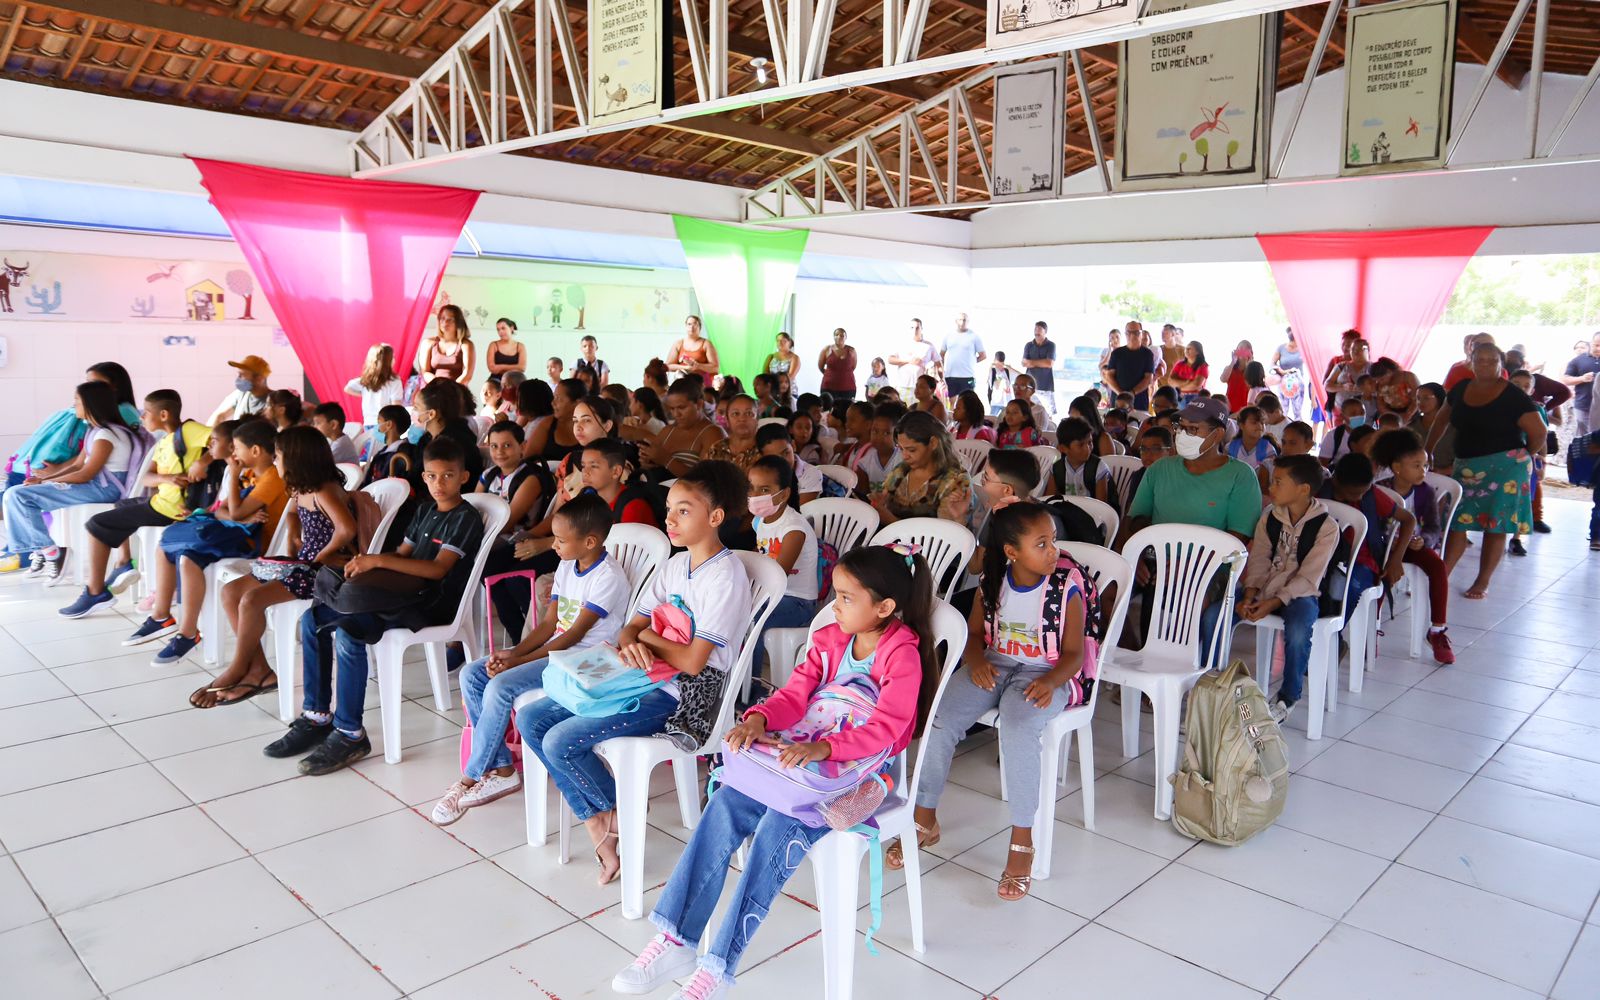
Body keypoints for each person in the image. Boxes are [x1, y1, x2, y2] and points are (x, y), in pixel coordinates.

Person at [613, 545, 932, 998]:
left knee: (778, 830)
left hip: (851, 772)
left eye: (845, 598)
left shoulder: (902, 656)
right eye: (834, 595)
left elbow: (887, 729)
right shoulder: (830, 639)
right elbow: (796, 694)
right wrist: (760, 718)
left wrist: (825, 747)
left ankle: (719, 968)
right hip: (803, 761)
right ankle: (676, 938)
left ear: (883, 607)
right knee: (725, 803)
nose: (832, 606)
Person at [522, 461, 752, 884]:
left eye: (684, 510)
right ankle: (606, 813)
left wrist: (648, 640)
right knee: (530, 718)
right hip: (647, 676)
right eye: (669, 508)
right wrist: (636, 638)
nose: (670, 518)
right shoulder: (673, 566)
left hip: (688, 695)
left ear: (715, 517)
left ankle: (604, 823)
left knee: (560, 740)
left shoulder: (726, 575)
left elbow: (694, 661)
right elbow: (632, 625)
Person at [894, 501, 1093, 901]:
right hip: (997, 663)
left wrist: (1051, 682)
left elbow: (1074, 654)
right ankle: (925, 817)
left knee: (1020, 728)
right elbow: (972, 634)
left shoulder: (1066, 586)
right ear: (1011, 552)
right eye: (1042, 543)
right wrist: (977, 661)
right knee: (940, 718)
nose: (1053, 550)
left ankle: (1022, 841)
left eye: (1053, 540)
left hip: (1047, 672)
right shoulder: (992, 581)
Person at [264, 436, 484, 774]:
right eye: (431, 476)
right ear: (423, 476)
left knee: (352, 634)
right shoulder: (425, 510)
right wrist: (366, 563)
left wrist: (377, 563)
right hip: (398, 594)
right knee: (313, 620)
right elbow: (402, 556)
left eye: (448, 476)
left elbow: (437, 569)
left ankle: (351, 733)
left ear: (464, 477)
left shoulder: (465, 518)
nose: (439, 484)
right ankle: (317, 715)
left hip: (428, 603)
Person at [430, 492, 629, 825]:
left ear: (590, 541)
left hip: (584, 661)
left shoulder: (608, 577)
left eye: (562, 540)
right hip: (558, 650)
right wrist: (513, 652)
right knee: (473, 675)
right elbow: (550, 624)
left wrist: (517, 663)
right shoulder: (568, 564)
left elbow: (573, 636)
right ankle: (502, 768)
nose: (554, 545)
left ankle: (471, 776)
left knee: (501, 685)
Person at [188, 425, 357, 708]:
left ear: (297, 458)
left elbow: (347, 529)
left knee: (252, 600)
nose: (276, 462)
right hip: (303, 565)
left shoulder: (324, 490)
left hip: (321, 572)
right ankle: (260, 671)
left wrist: (324, 555)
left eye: (278, 456)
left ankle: (238, 668)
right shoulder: (301, 489)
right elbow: (293, 515)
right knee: (231, 593)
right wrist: (293, 534)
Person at [129, 418, 288, 665]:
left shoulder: (271, 478)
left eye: (237, 448)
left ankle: (185, 630)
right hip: (238, 535)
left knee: (184, 551)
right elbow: (223, 511)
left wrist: (235, 489)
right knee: (179, 553)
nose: (233, 453)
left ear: (255, 451)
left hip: (256, 545)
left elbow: (232, 512)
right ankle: (182, 629)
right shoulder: (250, 474)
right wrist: (240, 516)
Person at [1219, 455, 1340, 722]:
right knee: (1218, 614)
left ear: (1303, 489)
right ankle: (1210, 685)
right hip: (1264, 588)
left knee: (1298, 631)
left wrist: (1272, 603)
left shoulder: (1326, 527)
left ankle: (1288, 697)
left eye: (1277, 482)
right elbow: (1259, 559)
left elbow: (1309, 577)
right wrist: (1250, 595)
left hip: (1301, 594)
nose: (1270, 488)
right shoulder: (1270, 518)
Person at [1427, 342, 1545, 599]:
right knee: (1457, 521)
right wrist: (1428, 449)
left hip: (1506, 467)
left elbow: (1539, 432)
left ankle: (1482, 581)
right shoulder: (1460, 389)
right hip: (1467, 465)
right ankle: (1442, 573)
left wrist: (1524, 455)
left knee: (1496, 524)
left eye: (1492, 360)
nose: (1485, 364)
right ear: (1471, 361)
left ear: (1501, 364)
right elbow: (1441, 420)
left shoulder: (1513, 395)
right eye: (1480, 359)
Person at [0, 381, 142, 578]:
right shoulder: (96, 431)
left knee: (18, 496)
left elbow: (86, 473)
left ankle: (51, 552)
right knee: (16, 495)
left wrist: (45, 483)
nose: (73, 405)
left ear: (91, 404)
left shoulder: (106, 435)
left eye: (77, 401)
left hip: (105, 489)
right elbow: (76, 465)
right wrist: (46, 478)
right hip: (95, 485)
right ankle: (48, 551)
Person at [1118, 396, 1261, 549]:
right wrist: (1137, 553)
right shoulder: (1159, 468)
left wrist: (1191, 566)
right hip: (1155, 562)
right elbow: (1134, 519)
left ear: (1218, 434)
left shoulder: (1241, 475)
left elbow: (1239, 536)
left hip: (1209, 567)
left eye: (1192, 429)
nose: (1182, 434)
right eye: (1180, 427)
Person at [1371, 428, 1454, 663]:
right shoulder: (1381, 489)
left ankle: (1437, 630)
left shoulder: (1426, 492)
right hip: (1385, 548)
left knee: (1437, 566)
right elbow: (1373, 525)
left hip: (1413, 546)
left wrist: (1424, 540)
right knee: (1379, 572)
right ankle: (1371, 629)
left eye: (1425, 466)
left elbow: (1434, 528)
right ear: (1397, 467)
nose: (1423, 471)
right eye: (1416, 465)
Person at [1320, 454, 1415, 623]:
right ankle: (1327, 637)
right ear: (1336, 482)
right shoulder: (1321, 493)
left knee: (1348, 587)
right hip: (1322, 559)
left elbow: (1409, 520)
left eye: (1364, 491)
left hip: (1363, 562)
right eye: (1355, 493)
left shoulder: (1371, 495)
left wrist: (1396, 559)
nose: (1360, 498)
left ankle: (1335, 637)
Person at [748, 455, 819, 665]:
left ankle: (750, 686)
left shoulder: (794, 529)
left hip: (797, 602)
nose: (754, 495)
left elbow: (777, 577)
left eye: (764, 490)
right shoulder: (759, 521)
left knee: (753, 619)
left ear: (784, 494)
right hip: (772, 596)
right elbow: (760, 554)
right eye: (751, 487)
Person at [872, 410, 970, 526]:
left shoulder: (954, 481)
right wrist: (881, 504)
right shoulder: (902, 471)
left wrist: (891, 521)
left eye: (911, 450)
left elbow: (944, 537)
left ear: (933, 443)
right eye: (901, 449)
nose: (905, 456)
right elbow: (885, 496)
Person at [409, 379, 485, 488]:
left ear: (431, 414)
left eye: (416, 407)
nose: (413, 412)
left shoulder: (453, 443)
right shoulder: (427, 438)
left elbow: (419, 480)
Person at [646, 377, 726, 478]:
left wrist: (667, 460)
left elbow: (706, 480)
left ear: (699, 404)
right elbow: (651, 463)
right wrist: (647, 461)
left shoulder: (712, 433)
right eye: (672, 409)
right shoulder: (667, 431)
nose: (676, 414)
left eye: (681, 407)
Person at [580, 439, 664, 526]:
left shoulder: (632, 507)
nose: (585, 472)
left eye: (594, 466)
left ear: (616, 471)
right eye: (583, 466)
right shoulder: (588, 498)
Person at [755, 424, 823, 506]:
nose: (782, 461)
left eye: (785, 453)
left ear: (793, 446)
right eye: (774, 458)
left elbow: (798, 511)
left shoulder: (810, 474)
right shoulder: (759, 475)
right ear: (762, 457)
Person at [1048, 417, 1112, 502]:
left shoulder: (1098, 468)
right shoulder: (1056, 469)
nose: (1087, 448)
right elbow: (1050, 499)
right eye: (1081, 445)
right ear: (1063, 448)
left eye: (1090, 442)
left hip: (1093, 512)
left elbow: (1102, 505)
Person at [343, 344, 404, 430]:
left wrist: (364, 394)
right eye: (392, 357)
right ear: (388, 361)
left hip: (368, 423)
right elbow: (396, 405)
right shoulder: (394, 381)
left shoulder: (365, 380)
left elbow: (347, 388)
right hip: (386, 423)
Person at [527, 378, 585, 464]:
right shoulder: (548, 424)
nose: (553, 403)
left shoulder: (591, 427)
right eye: (554, 397)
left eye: (559, 399)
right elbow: (527, 459)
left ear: (577, 403)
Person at [416, 304, 475, 387]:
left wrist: (451, 389)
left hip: (457, 391)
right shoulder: (428, 343)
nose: (445, 322)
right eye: (442, 319)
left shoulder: (466, 345)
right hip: (433, 390)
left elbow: (467, 374)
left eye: (450, 319)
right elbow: (425, 372)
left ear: (458, 322)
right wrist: (439, 386)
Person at [850, 404, 904, 491]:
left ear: (897, 435)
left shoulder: (903, 460)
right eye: (875, 431)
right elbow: (862, 494)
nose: (879, 437)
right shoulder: (864, 463)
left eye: (886, 433)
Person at [359, 405, 415, 488]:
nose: (377, 427)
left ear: (389, 424)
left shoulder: (403, 453)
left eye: (379, 422)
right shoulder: (383, 452)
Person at [1103, 328, 1157, 411]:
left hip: (1139, 400)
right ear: (1125, 334)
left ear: (1141, 334)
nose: (1132, 335)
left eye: (1136, 332)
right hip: (1118, 399)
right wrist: (1121, 393)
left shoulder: (1148, 354)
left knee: (1138, 421)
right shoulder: (1116, 353)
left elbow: (1149, 378)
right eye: (1129, 332)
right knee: (1115, 422)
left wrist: (1132, 393)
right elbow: (1109, 376)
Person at [706, 394, 761, 470]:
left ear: (757, 419)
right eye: (735, 414)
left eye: (748, 413)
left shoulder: (764, 450)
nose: (742, 419)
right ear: (727, 420)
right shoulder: (716, 449)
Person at [1562, 333, 1600, 439]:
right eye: (1596, 345)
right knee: (1586, 438)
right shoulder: (1578, 360)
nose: (1598, 348)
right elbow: (1565, 379)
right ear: (1590, 343)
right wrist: (1582, 378)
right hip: (1584, 405)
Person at [940, 312, 987, 398]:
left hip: (967, 376)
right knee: (950, 401)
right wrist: (942, 370)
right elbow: (941, 354)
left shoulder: (974, 336)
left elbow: (983, 355)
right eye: (960, 320)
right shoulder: (949, 336)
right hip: (950, 375)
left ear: (968, 321)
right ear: (956, 321)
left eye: (964, 320)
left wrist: (972, 361)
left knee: (967, 401)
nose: (962, 322)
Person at [890, 318, 939, 394]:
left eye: (917, 328)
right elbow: (890, 359)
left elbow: (938, 363)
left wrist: (940, 379)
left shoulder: (929, 345)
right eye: (912, 328)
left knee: (920, 406)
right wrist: (909, 361)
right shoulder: (901, 344)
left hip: (921, 387)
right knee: (904, 406)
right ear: (909, 329)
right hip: (903, 386)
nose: (915, 330)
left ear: (921, 329)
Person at [666, 315, 719, 385]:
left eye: (695, 324)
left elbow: (715, 368)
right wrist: (686, 367)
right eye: (689, 324)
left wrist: (698, 366)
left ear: (699, 327)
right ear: (686, 326)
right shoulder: (678, 343)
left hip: (702, 385)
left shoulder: (706, 344)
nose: (691, 327)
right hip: (682, 384)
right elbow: (668, 366)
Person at [1319, 398, 1370, 467]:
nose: (1359, 416)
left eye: (1362, 413)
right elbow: (1322, 463)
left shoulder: (1372, 434)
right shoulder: (1334, 436)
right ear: (1342, 416)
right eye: (1353, 414)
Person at [1021, 321, 1057, 417]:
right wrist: (1041, 362)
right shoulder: (1029, 345)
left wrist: (1032, 362)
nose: (1037, 331)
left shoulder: (1051, 345)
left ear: (1045, 331)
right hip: (1030, 386)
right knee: (1029, 412)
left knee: (1048, 414)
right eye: (1035, 329)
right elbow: (1024, 362)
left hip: (1045, 386)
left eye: (1040, 329)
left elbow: (1049, 363)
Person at [816, 327, 857, 402]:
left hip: (848, 387)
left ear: (846, 337)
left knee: (845, 410)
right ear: (833, 336)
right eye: (836, 335)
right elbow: (820, 366)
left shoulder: (852, 350)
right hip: (828, 387)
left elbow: (853, 367)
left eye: (842, 335)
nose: (839, 337)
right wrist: (831, 375)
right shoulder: (826, 349)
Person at [1220, 341, 1256, 414]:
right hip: (1229, 408)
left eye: (1246, 349)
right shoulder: (1230, 368)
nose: (1242, 351)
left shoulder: (1254, 369)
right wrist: (1233, 362)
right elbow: (1223, 379)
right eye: (1240, 348)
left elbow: (1255, 386)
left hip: (1246, 409)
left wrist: (1249, 363)